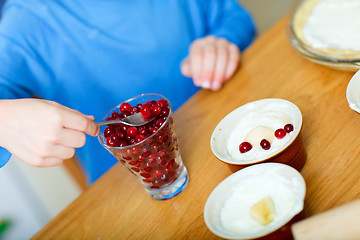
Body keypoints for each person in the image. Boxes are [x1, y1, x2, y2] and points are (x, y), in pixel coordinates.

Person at [0, 0, 256, 185]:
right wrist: (5, 119)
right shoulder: (24, 26)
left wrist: (223, 41)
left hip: (230, 139)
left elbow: (233, 17)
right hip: (135, 192)